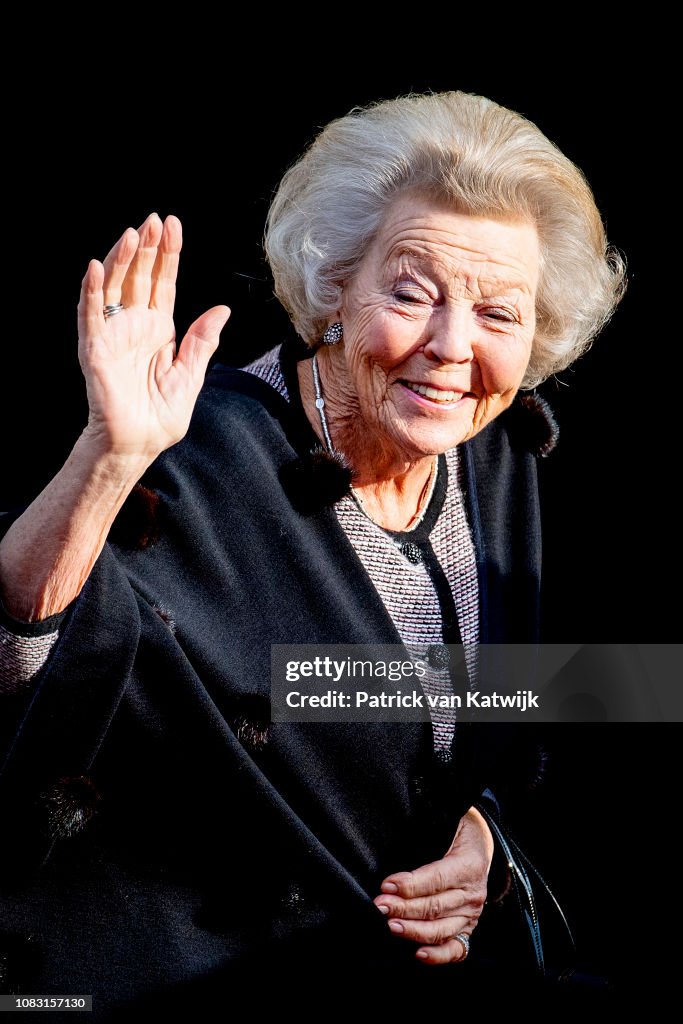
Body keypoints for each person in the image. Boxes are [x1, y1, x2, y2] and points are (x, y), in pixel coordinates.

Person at [0, 91, 624, 1016]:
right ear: (333, 285)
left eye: (500, 314)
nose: (452, 347)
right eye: (411, 294)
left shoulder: (492, 447)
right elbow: (23, 667)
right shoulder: (196, 454)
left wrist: (489, 836)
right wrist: (107, 461)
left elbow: (529, 695)